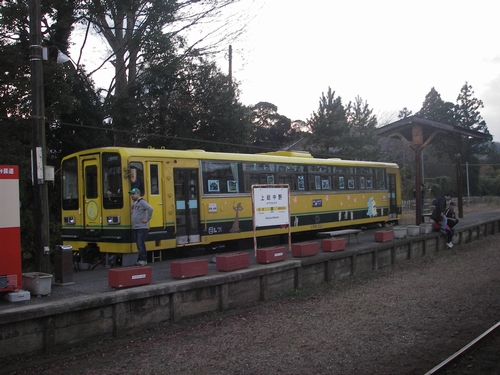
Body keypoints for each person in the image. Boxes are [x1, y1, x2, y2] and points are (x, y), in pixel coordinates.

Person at [129, 188, 153, 266]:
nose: (132, 196)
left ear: (138, 194)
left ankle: (144, 259)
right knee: (138, 244)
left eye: (133, 194)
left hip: (142, 227)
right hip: (135, 227)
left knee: (140, 243)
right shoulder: (133, 204)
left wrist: (147, 219)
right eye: (131, 194)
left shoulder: (142, 202)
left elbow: (150, 208)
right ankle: (140, 259)